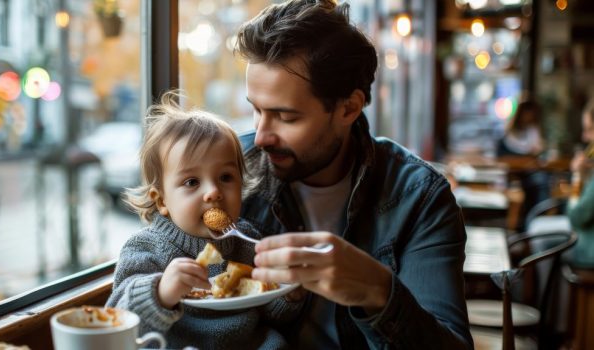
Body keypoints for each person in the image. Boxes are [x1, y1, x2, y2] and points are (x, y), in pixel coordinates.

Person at [233, 1, 472, 348]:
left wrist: (376, 289)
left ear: (349, 108)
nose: (260, 136)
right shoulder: (231, 173)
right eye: (256, 110)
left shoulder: (419, 197)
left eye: (285, 117)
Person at [106, 91, 303, 349]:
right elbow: (119, 321)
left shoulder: (247, 240)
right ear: (162, 201)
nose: (213, 192)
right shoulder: (146, 248)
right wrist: (160, 292)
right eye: (192, 182)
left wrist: (290, 294)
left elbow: (271, 311)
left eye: (225, 178)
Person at [498, 100, 552, 230]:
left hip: (530, 176)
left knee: (544, 182)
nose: (529, 117)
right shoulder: (507, 136)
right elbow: (502, 160)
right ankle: (533, 224)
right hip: (513, 177)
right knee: (540, 182)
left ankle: (536, 223)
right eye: (527, 113)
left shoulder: (533, 131)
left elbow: (539, 152)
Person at [567, 99, 594, 267]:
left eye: (589, 129)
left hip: (589, 253)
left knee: (542, 242)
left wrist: (577, 177)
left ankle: (540, 294)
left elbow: (575, 217)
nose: (585, 136)